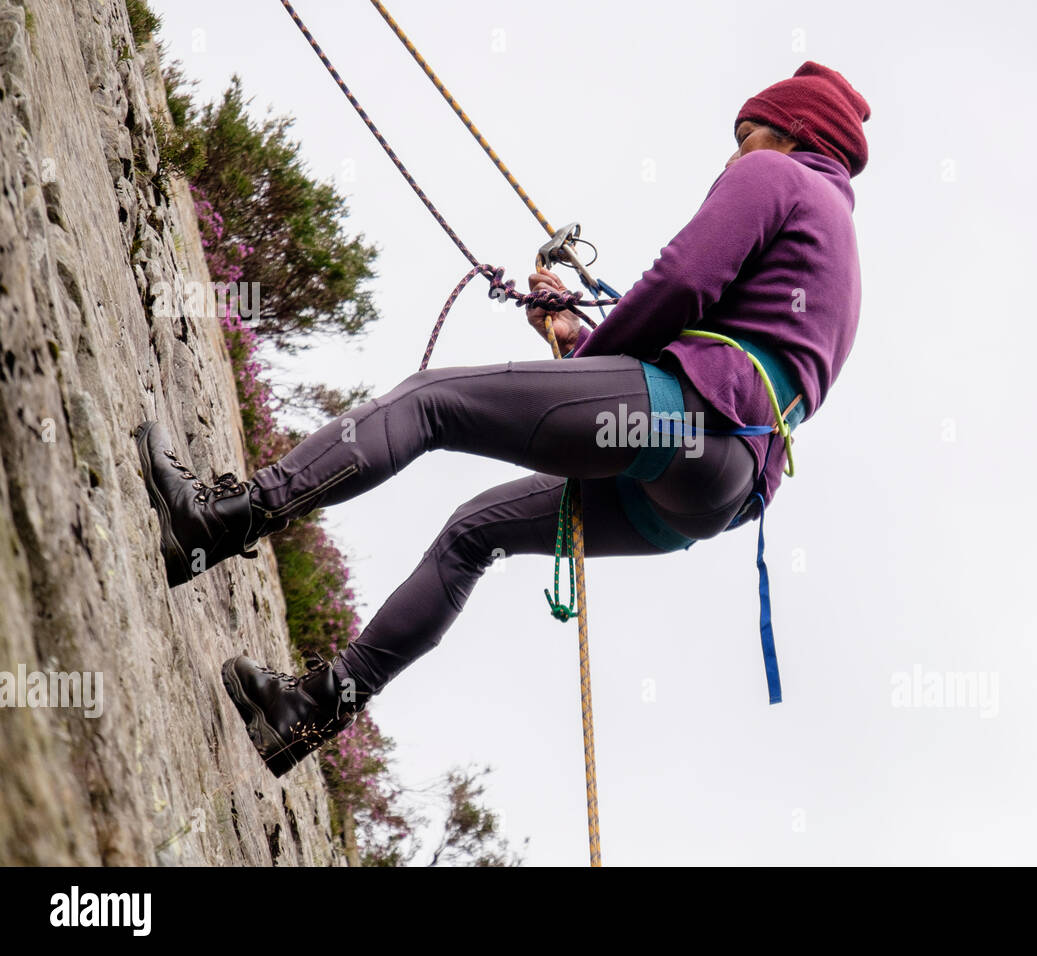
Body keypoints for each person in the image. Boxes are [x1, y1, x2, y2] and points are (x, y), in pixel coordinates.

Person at [133, 61, 870, 778]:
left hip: (688, 419)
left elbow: (682, 282)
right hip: (722, 488)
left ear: (791, 131)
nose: (734, 151)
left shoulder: (777, 175)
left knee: (430, 402)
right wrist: (577, 342)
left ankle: (220, 518)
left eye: (746, 134)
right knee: (472, 534)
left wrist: (586, 365)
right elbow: (734, 357)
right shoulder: (842, 252)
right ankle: (313, 709)